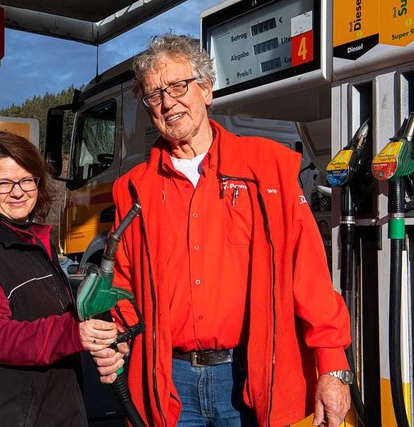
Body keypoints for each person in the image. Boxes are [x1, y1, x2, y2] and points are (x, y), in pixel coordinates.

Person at [90, 34, 352, 427]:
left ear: (207, 89)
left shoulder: (268, 169)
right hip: (170, 381)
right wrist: (115, 337)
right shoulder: (133, 188)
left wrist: (333, 368)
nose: (168, 101)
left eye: (179, 86)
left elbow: (309, 275)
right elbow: (125, 283)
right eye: (154, 95)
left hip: (252, 374)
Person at [0, 131, 117, 426]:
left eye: (26, 180)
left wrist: (96, 343)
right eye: (4, 183)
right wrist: (72, 334)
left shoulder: (35, 245)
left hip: (56, 411)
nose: (18, 192)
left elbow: (55, 323)